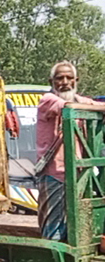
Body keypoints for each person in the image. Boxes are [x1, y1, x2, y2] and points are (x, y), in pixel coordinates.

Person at [35, 62, 98, 240]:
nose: (65, 82)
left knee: (79, 229)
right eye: (59, 78)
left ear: (76, 80)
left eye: (69, 78)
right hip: (54, 174)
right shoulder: (48, 100)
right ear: (51, 81)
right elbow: (68, 108)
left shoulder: (80, 101)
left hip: (78, 175)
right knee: (53, 230)